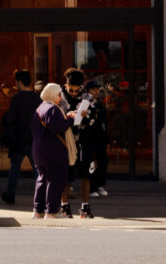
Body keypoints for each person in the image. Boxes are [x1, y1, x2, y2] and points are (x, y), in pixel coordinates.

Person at [61, 68, 102, 219]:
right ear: (66, 85)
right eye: (70, 90)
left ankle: (85, 206)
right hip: (66, 139)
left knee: (85, 174)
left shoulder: (87, 98)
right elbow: (57, 115)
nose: (72, 93)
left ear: (81, 87)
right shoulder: (61, 95)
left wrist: (84, 117)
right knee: (64, 174)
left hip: (84, 140)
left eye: (75, 90)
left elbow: (93, 119)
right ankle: (64, 206)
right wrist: (68, 115)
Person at [0, 69, 41, 206]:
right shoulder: (37, 98)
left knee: (14, 170)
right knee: (38, 171)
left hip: (18, 140)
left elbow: (11, 118)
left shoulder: (16, 99)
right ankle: (41, 196)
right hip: (34, 139)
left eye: (16, 82)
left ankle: (10, 195)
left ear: (19, 82)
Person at [31, 81, 72, 221]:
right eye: (59, 94)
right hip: (53, 151)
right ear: (54, 95)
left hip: (38, 150)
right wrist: (71, 119)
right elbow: (58, 127)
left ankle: (38, 211)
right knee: (56, 180)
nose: (61, 97)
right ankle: (52, 211)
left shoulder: (39, 108)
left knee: (42, 179)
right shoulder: (52, 109)